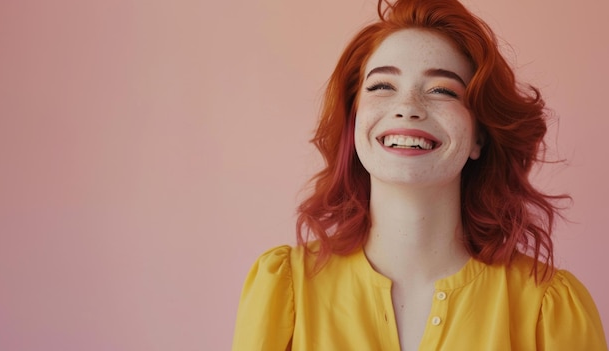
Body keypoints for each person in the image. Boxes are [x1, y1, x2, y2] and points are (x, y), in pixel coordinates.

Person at [232, 0, 608, 350]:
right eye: (381, 86)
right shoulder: (286, 289)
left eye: (442, 90)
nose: (407, 108)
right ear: (354, 120)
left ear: (479, 135)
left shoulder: (548, 307)